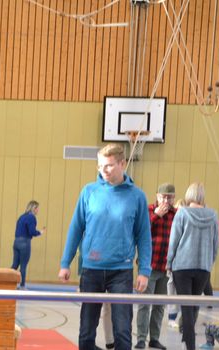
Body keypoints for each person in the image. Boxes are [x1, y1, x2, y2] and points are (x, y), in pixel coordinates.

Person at [58, 143, 151, 350]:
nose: (104, 170)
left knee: (122, 331)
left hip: (122, 271)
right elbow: (76, 228)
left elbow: (144, 236)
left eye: (108, 166)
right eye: (100, 166)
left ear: (122, 163)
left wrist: (144, 270)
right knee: (87, 329)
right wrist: (66, 262)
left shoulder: (137, 196)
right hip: (91, 269)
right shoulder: (89, 192)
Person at [167, 182, 219, 350]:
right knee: (194, 305)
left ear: (189, 194)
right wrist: (209, 262)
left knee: (186, 306)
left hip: (182, 266)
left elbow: (174, 241)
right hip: (203, 267)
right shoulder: (213, 215)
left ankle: (189, 344)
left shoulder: (182, 214)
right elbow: (215, 244)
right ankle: (187, 339)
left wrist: (169, 262)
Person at [136, 183, 176, 350]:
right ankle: (141, 339)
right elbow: (139, 231)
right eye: (163, 197)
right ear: (157, 196)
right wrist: (156, 216)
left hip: (166, 266)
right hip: (149, 266)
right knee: (144, 304)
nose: (166, 200)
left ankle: (154, 338)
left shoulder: (176, 214)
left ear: (174, 198)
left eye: (169, 197)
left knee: (160, 305)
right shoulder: (148, 211)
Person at [11, 200, 43, 289]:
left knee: (14, 265)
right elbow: (32, 232)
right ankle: (22, 285)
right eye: (38, 209)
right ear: (34, 208)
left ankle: (8, 283)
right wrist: (39, 232)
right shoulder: (31, 218)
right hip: (25, 242)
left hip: (16, 242)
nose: (38, 211)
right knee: (23, 265)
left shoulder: (22, 217)